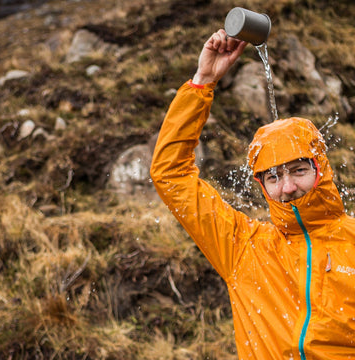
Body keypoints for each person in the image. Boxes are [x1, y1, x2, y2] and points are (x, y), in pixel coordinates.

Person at [150, 29, 355, 360]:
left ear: (322, 169)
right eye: (273, 176)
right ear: (261, 185)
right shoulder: (242, 248)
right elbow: (170, 174)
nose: (287, 187)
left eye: (299, 170)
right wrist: (202, 82)